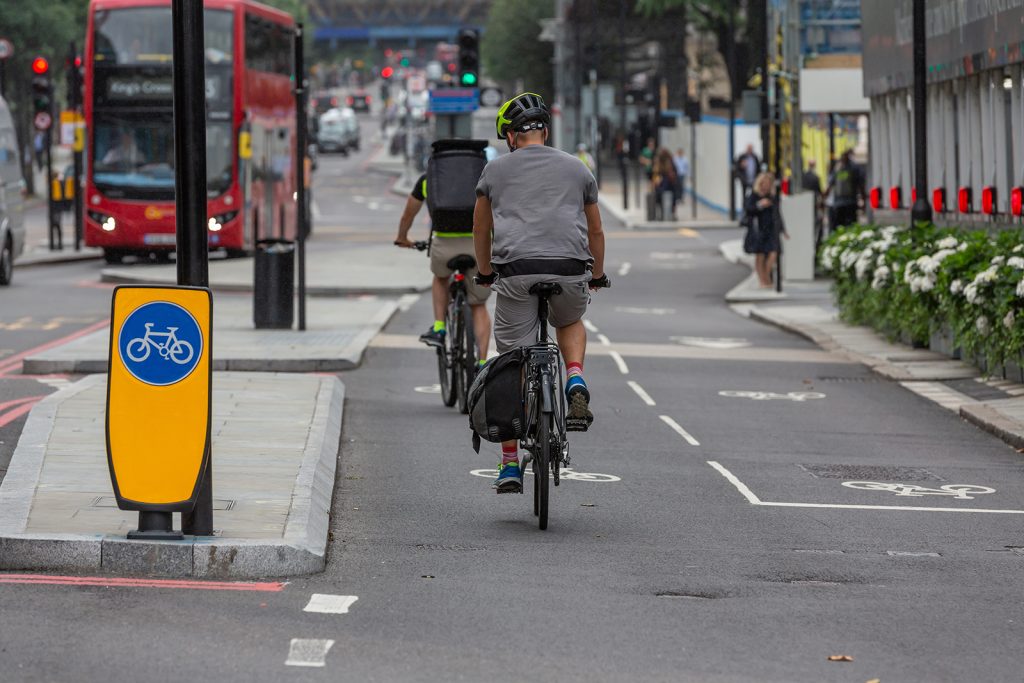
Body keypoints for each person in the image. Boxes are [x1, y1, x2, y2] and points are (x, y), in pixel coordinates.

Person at [473, 92, 609, 493]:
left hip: (516, 271)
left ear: (512, 137)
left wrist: (485, 273)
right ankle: (574, 379)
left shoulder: (494, 171)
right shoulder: (578, 168)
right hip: (569, 269)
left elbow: (481, 229)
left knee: (512, 362)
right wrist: (596, 275)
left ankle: (510, 464)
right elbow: (596, 230)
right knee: (569, 319)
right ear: (545, 131)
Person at [394, 172, 493, 361]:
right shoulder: (482, 177)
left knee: (440, 278)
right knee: (479, 305)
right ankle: (481, 363)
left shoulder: (429, 179)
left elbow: (408, 214)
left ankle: (439, 328)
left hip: (444, 244)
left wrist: (402, 237)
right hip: (478, 244)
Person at [742, 172, 788, 288]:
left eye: (768, 183)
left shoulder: (773, 196)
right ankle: (763, 281)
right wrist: (760, 205)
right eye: (764, 183)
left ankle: (766, 276)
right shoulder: (754, 195)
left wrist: (783, 229)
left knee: (773, 253)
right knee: (760, 255)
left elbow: (778, 214)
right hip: (759, 228)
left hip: (771, 228)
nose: (766, 186)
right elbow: (748, 209)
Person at [826, 150, 863, 231]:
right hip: (850, 202)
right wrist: (863, 198)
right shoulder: (853, 168)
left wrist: (824, 197)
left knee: (840, 226)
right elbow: (860, 184)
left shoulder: (837, 169)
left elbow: (830, 185)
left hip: (840, 203)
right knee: (851, 225)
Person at [651, 148, 678, 220]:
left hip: (667, 184)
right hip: (666, 184)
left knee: (663, 197)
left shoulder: (669, 163)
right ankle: (669, 214)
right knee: (664, 197)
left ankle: (665, 214)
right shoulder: (660, 163)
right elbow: (656, 174)